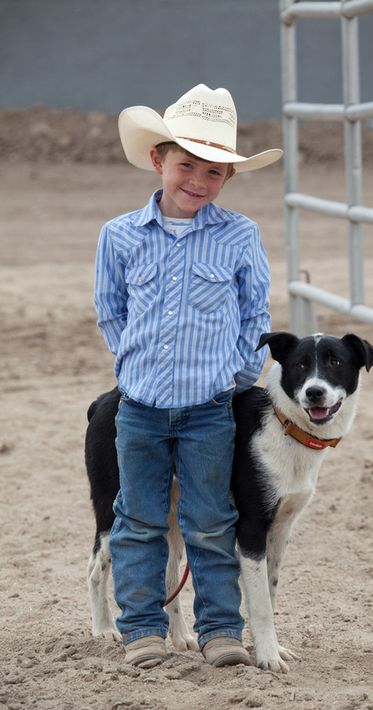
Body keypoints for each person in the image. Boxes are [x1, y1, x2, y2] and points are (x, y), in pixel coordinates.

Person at [94, 84, 282, 668]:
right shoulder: (119, 236)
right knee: (139, 518)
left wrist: (239, 374)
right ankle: (143, 630)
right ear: (159, 160)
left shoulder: (239, 237)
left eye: (215, 172)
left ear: (228, 177)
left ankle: (221, 631)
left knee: (209, 520)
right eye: (186, 166)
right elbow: (111, 309)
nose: (198, 181)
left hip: (209, 410)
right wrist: (134, 364)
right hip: (141, 408)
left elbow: (256, 315)